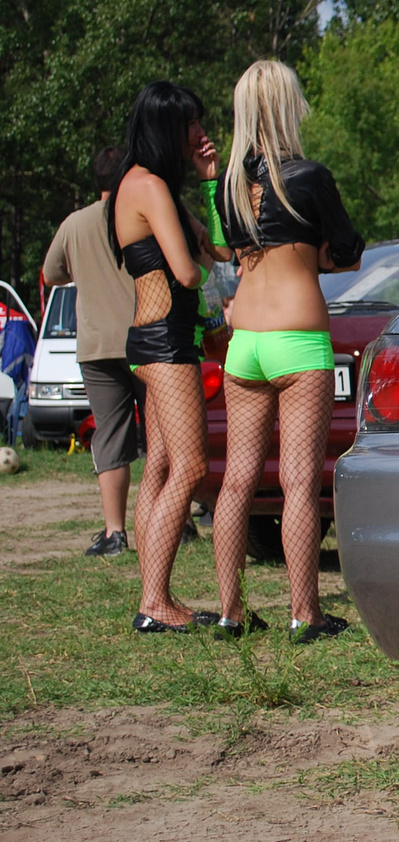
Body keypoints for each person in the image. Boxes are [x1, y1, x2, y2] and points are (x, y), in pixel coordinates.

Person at [214, 60, 364, 642]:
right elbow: (348, 251)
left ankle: (230, 612)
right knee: (299, 483)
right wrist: (319, 255)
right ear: (287, 106)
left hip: (244, 341)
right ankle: (306, 612)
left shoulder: (229, 188)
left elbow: (232, 252)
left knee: (236, 483)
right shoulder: (308, 177)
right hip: (297, 340)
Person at [106, 81, 233, 633]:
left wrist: (210, 185)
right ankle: (155, 602)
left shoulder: (149, 187)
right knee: (190, 466)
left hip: (153, 338)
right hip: (164, 340)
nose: (200, 133)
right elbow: (190, 270)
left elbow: (223, 246)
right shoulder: (149, 186)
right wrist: (212, 309)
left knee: (158, 468)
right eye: (190, 125)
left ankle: (154, 597)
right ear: (166, 127)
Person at [43, 147, 142, 557]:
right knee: (164, 434)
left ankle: (114, 532)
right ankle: (181, 521)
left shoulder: (74, 223)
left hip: (97, 344)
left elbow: (51, 273)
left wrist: (81, 267)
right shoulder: (139, 214)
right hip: (145, 338)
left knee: (111, 434)